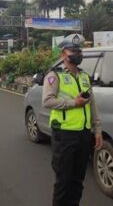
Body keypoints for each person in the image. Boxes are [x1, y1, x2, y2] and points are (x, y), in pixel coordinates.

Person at [42, 36, 103, 206]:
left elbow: (92, 104)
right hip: (64, 135)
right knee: (64, 181)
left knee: (78, 181)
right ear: (63, 54)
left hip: (83, 134)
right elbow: (47, 101)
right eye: (73, 51)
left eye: (79, 51)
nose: (78, 54)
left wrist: (97, 130)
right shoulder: (54, 76)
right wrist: (73, 103)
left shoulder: (84, 76)